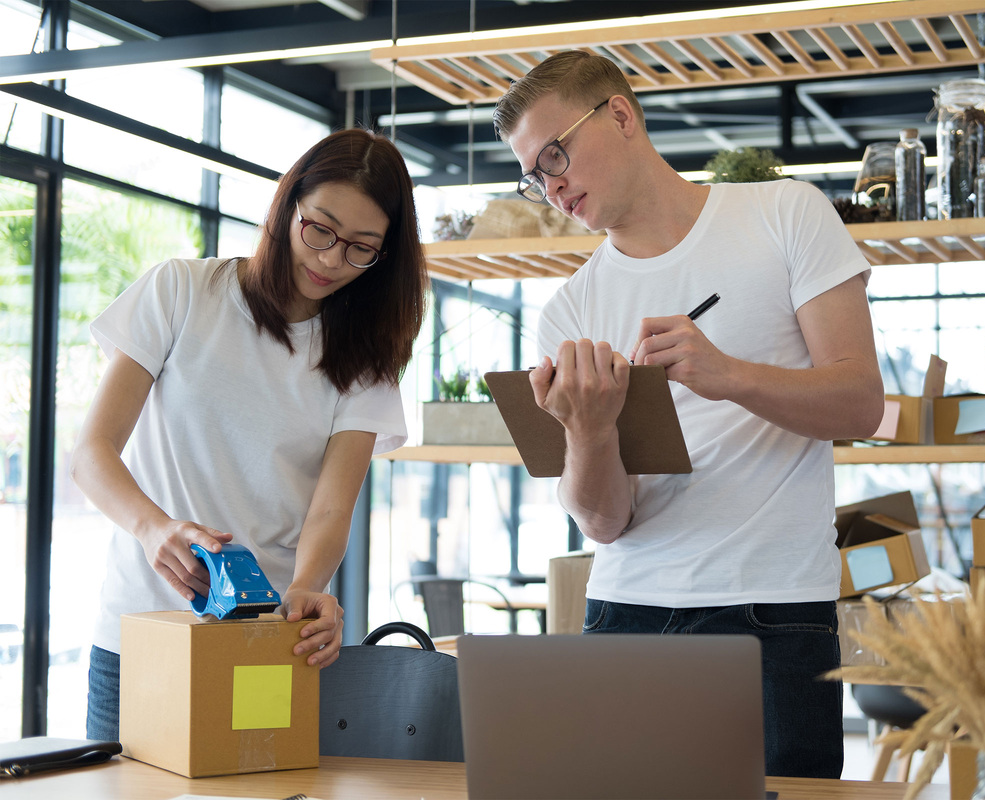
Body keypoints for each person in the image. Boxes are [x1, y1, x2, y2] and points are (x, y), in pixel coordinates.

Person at [492, 51, 883, 779]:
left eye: (555, 155)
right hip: (623, 611)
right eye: (532, 174)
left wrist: (727, 375)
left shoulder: (786, 212)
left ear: (619, 114)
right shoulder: (569, 310)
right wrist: (589, 430)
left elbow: (859, 400)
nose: (550, 187)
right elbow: (605, 522)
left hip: (776, 611)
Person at [71, 128, 428, 742]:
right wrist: (155, 528)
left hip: (262, 644)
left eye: (361, 249)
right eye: (320, 229)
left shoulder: (365, 359)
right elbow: (91, 453)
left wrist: (307, 588)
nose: (330, 260)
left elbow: (331, 508)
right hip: (139, 638)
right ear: (288, 205)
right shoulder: (182, 291)